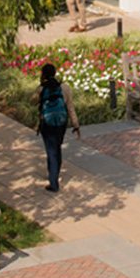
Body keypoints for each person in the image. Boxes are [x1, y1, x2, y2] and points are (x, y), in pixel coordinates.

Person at [37, 58, 79, 193]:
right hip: (61, 123)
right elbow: (70, 107)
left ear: (43, 74)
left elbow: (32, 101)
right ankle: (53, 173)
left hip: (47, 124)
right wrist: (76, 124)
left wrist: (41, 87)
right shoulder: (64, 88)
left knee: (51, 151)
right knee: (56, 148)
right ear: (55, 73)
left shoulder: (41, 89)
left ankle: (53, 182)